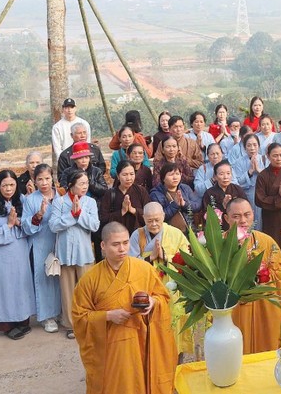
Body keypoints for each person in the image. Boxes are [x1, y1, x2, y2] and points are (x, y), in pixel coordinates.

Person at [73, 222, 176, 394]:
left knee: (142, 381)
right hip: (112, 347)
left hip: (142, 339)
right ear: (103, 246)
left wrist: (153, 303)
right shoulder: (89, 279)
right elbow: (79, 316)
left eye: (126, 243)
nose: (122, 249)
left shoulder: (143, 269)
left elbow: (163, 297)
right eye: (116, 244)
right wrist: (106, 316)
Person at [130, 202, 193, 358]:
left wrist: (166, 257)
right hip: (146, 289)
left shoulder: (176, 233)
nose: (154, 224)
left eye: (157, 220)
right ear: (143, 218)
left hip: (172, 290)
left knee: (174, 325)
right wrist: (150, 258)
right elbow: (129, 264)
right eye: (149, 220)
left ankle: (177, 359)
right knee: (151, 327)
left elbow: (188, 260)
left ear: (164, 217)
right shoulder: (137, 235)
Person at [224, 198, 281, 354]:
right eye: (236, 216)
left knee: (265, 353)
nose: (243, 221)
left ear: (253, 215)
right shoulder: (219, 243)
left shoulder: (266, 241)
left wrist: (261, 274)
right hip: (234, 310)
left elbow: (280, 272)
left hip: (263, 309)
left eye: (247, 215)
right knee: (234, 351)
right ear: (226, 218)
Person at [0, 170, 35, 340]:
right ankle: (7, 325)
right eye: (4, 185)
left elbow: (30, 225)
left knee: (21, 284)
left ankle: (22, 321)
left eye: (12, 184)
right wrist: (8, 225)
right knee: (6, 287)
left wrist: (19, 222)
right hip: (2, 253)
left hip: (20, 249)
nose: (9, 188)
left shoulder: (23, 200)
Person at [50, 170, 100, 339]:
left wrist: (79, 214)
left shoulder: (90, 202)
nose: (85, 187)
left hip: (84, 252)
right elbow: (53, 225)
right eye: (81, 184)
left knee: (87, 289)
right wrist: (71, 215)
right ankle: (71, 325)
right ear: (71, 185)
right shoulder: (59, 202)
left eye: (86, 183)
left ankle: (90, 322)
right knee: (67, 290)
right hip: (64, 253)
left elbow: (94, 226)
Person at [22, 163, 63, 333]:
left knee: (61, 278)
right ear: (34, 180)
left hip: (60, 241)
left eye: (47, 178)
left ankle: (61, 311)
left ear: (53, 178)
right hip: (41, 242)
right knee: (44, 278)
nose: (44, 182)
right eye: (40, 179)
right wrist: (39, 214)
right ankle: (47, 316)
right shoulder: (30, 199)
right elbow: (25, 226)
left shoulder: (61, 196)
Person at [99, 160, 147, 234]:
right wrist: (122, 212)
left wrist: (133, 210)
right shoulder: (110, 194)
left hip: (138, 237)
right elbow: (103, 219)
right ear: (118, 176)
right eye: (125, 175)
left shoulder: (141, 191)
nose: (129, 178)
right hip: (116, 235)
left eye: (132, 174)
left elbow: (149, 214)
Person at [201, 160, 248, 227]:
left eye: (228, 173)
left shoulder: (238, 190)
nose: (225, 177)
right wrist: (222, 206)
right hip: (219, 229)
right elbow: (207, 215)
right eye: (221, 174)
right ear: (215, 176)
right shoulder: (209, 193)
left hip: (237, 226)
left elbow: (245, 207)